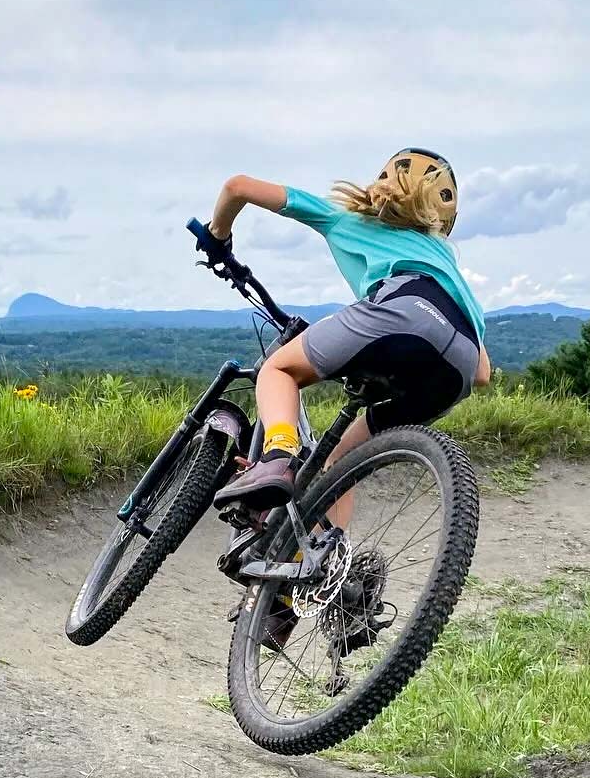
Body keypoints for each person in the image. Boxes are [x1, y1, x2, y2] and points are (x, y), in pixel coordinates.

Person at [205, 148, 491, 515]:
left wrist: (218, 235)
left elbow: (237, 186)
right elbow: (483, 374)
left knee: (278, 370)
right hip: (459, 366)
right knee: (339, 463)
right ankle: (336, 560)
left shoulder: (346, 219)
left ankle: (276, 456)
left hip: (401, 310)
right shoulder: (444, 258)